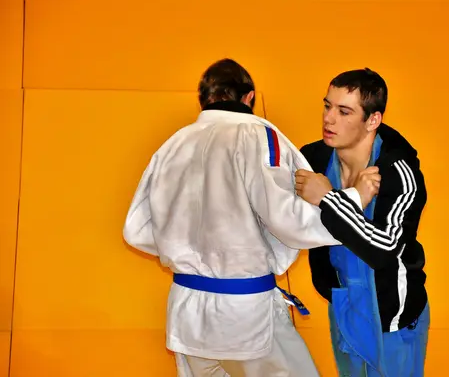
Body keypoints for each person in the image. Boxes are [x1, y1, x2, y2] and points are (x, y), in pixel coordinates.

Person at [122, 58, 361, 377]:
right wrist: (352, 200)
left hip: (186, 311)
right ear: (248, 97)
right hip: (243, 312)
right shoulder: (258, 136)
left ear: (204, 98)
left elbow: (136, 230)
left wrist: (191, 248)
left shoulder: (173, 145)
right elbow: (288, 222)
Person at [295, 68, 429, 377]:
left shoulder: (399, 172)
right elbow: (293, 228)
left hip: (393, 320)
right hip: (344, 308)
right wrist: (355, 197)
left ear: (372, 120)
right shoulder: (312, 160)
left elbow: (384, 249)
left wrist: (330, 200)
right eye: (327, 105)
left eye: (344, 112)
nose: (329, 119)